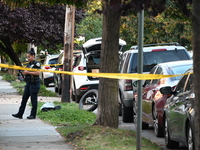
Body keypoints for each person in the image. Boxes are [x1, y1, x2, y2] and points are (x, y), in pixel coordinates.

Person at [12, 48, 41, 119]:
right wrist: (23, 73)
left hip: (35, 83)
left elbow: (38, 73)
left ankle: (33, 115)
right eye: (27, 57)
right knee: (24, 98)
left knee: (33, 99)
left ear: (33, 56)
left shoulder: (36, 64)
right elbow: (27, 72)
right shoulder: (28, 64)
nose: (28, 58)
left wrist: (28, 72)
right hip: (28, 83)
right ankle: (20, 114)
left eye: (29, 56)